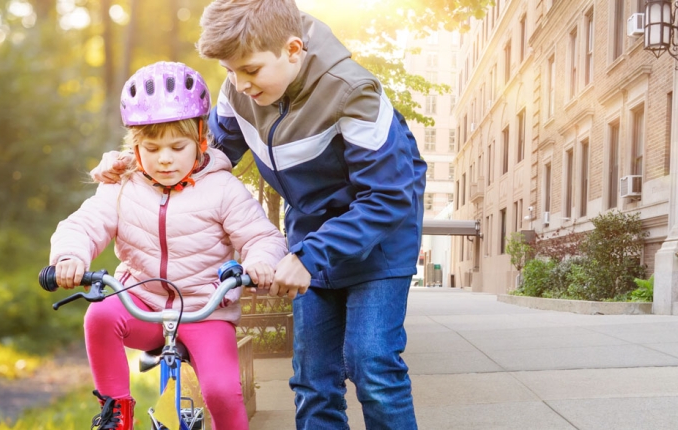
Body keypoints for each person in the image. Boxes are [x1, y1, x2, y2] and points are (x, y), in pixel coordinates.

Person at [89, 0, 428, 427]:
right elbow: (201, 158)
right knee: (313, 379)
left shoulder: (354, 92)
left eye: (249, 70)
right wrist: (132, 167)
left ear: (292, 49)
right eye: (230, 71)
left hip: (379, 239)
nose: (239, 84)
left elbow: (388, 197)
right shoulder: (239, 91)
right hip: (309, 238)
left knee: (371, 363)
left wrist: (310, 257)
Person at [49, 61, 289, 430]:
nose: (165, 158)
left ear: (201, 141)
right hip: (141, 305)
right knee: (100, 315)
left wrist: (260, 262)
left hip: (205, 312)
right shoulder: (122, 186)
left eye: (178, 147)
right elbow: (85, 224)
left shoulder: (222, 188)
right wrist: (70, 256)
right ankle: (118, 415)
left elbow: (262, 237)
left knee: (224, 392)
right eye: (152, 147)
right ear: (135, 147)